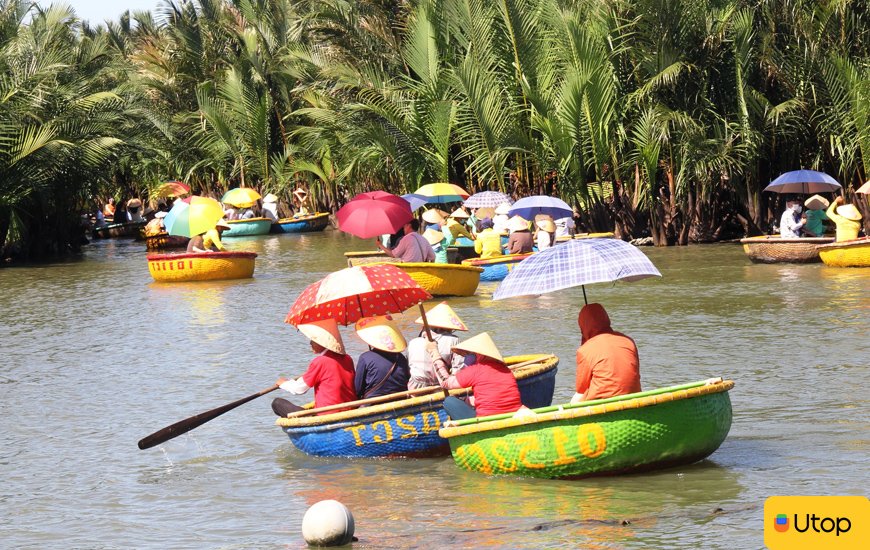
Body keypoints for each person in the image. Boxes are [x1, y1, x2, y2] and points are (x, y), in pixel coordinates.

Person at [428, 332, 530, 420]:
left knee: (449, 401)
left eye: (472, 354)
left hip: (486, 419)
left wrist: (435, 354)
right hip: (513, 415)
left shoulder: (476, 370)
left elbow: (445, 382)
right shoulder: (506, 370)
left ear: (480, 355)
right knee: (465, 400)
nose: (469, 356)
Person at [272, 318, 357, 416]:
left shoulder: (320, 361)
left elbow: (299, 389)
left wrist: (283, 383)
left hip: (328, 413)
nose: (310, 343)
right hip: (349, 410)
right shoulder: (347, 358)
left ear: (322, 343)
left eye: (313, 340)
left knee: (277, 403)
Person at [571, 303, 641, 404]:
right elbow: (636, 375)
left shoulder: (585, 350)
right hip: (633, 397)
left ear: (583, 325)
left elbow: (581, 388)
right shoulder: (628, 341)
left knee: (576, 399)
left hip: (601, 402)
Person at [406, 302, 468, 389]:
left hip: (415, 387)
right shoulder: (454, 341)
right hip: (441, 387)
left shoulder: (413, 342)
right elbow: (458, 371)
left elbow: (409, 368)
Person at [353, 316, 410, 399]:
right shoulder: (400, 357)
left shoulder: (365, 357)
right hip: (400, 400)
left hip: (373, 403)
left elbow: (358, 389)